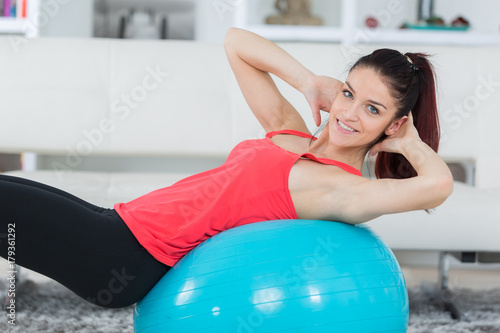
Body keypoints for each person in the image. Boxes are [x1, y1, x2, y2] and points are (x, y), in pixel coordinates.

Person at [0, 28, 453, 309]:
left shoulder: (339, 190)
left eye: (372, 109)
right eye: (350, 93)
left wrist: (409, 142)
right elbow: (236, 42)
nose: (349, 114)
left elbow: (438, 184)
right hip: (117, 222)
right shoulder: (291, 132)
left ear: (391, 124)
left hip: (124, 256)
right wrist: (308, 81)